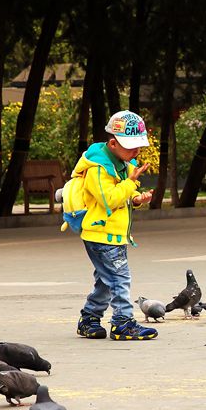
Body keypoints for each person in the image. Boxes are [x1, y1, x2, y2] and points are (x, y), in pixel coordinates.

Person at [73, 110, 157, 341]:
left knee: (105, 281)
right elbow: (108, 199)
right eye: (131, 147)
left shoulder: (121, 163)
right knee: (120, 279)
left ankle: (89, 318)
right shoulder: (97, 169)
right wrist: (130, 185)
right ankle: (122, 323)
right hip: (100, 234)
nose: (136, 152)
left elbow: (123, 197)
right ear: (113, 143)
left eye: (138, 147)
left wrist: (137, 198)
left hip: (112, 235)